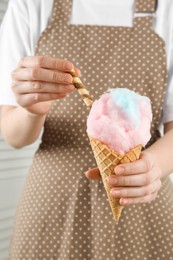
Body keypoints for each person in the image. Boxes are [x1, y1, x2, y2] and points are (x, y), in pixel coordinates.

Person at [0, 0, 173, 259]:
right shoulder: (31, 3)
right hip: (52, 201)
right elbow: (14, 137)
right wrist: (31, 109)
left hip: (142, 198)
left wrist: (154, 167)